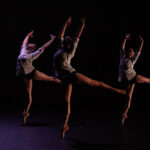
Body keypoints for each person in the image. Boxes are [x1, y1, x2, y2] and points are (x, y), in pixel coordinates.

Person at [53, 17, 126, 139]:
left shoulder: (70, 51)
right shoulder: (60, 47)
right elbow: (60, 35)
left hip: (72, 74)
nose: (65, 39)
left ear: (69, 44)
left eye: (67, 40)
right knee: (67, 102)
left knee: (94, 83)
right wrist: (66, 23)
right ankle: (65, 125)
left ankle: (117, 90)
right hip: (64, 79)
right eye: (66, 39)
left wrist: (82, 26)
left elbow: (77, 38)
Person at [16, 30, 61, 124]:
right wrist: (28, 35)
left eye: (32, 44)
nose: (30, 44)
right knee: (28, 96)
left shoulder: (33, 55)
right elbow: (24, 42)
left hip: (33, 72)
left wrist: (52, 40)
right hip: (26, 75)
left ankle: (63, 80)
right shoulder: (23, 50)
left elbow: (43, 47)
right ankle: (26, 113)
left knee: (49, 78)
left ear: (33, 49)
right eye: (30, 43)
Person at [118, 34, 150, 125]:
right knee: (128, 99)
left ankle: (124, 114)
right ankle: (124, 114)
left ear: (132, 55)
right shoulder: (122, 57)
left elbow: (139, 51)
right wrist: (125, 39)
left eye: (132, 53)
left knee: (147, 80)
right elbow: (122, 47)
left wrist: (142, 42)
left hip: (134, 77)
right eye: (130, 52)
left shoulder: (132, 60)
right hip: (127, 81)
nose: (131, 54)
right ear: (128, 53)